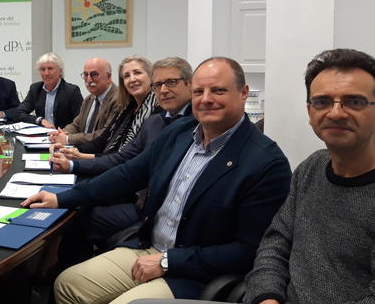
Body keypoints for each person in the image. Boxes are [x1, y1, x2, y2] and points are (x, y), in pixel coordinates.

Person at [21, 57, 292, 303]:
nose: (206, 99)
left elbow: (250, 250)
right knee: (68, 284)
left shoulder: (266, 162)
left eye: (218, 90)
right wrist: (60, 198)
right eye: (199, 92)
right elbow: (126, 175)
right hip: (148, 248)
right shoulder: (178, 133)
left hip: (195, 273)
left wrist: (168, 261)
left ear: (243, 93)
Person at [244, 49, 375, 304]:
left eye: (355, 102)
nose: (336, 113)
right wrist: (267, 297)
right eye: (322, 102)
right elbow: (275, 244)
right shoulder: (312, 168)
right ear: (309, 111)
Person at [47, 57, 195, 272]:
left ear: (189, 84)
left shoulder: (193, 123)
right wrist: (73, 166)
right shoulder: (156, 120)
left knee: (78, 215)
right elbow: (124, 161)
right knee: (76, 208)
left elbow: (127, 166)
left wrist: (76, 162)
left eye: (171, 82)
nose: (163, 90)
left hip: (157, 217)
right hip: (142, 202)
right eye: (158, 84)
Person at [67, 55, 159, 157]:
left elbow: (129, 157)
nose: (132, 79)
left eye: (137, 73)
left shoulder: (157, 111)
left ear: (151, 76)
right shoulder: (128, 107)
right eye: (127, 76)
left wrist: (81, 156)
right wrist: (74, 149)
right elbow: (104, 138)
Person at [50, 57, 121, 145]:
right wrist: (61, 134)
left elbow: (105, 134)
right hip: (80, 150)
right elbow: (76, 125)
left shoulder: (118, 99)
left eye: (94, 74)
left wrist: (68, 139)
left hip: (100, 154)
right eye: (85, 75)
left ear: (108, 76)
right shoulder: (89, 99)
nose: (89, 80)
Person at [16, 52, 83, 128]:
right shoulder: (35, 89)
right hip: (41, 135)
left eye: (50, 69)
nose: (46, 73)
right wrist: (40, 120)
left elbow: (79, 121)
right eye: (42, 69)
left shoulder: (72, 91)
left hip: (63, 135)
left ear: (60, 71)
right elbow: (19, 113)